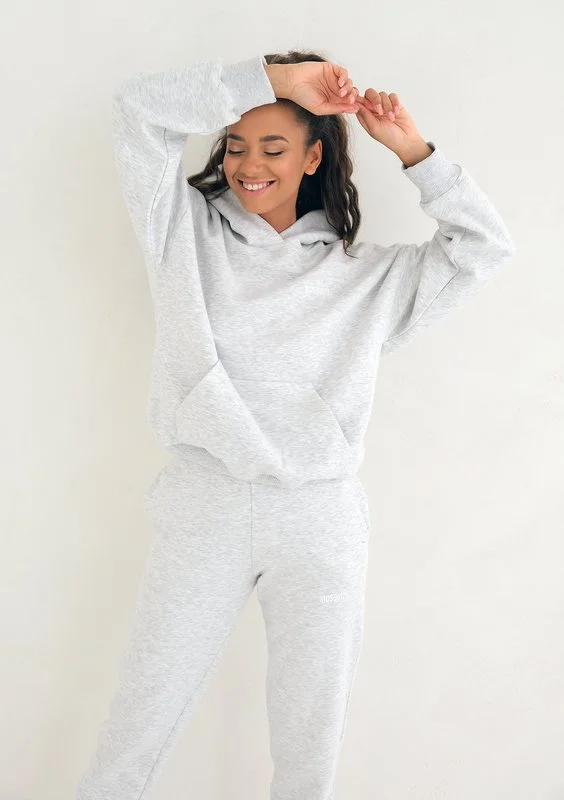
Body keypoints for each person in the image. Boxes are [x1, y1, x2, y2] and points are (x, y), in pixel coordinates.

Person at [74, 50, 516, 800]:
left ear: (313, 157)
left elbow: (484, 247)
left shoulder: (367, 278)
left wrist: (413, 151)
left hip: (318, 517)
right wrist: (276, 82)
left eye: (274, 147)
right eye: (236, 145)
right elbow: (137, 111)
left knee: (309, 744)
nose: (249, 166)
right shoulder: (182, 233)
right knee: (138, 723)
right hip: (205, 502)